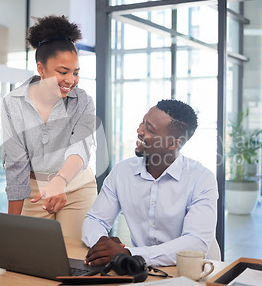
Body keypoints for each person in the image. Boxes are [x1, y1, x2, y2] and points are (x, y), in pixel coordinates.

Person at [0, 15, 97, 245]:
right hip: (34, 192)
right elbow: (16, 165)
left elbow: (81, 147)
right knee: (28, 253)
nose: (71, 80)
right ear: (40, 68)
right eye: (63, 71)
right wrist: (9, 227)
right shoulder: (14, 103)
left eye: (76, 72)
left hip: (76, 187)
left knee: (72, 254)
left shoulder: (83, 100)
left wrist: (60, 181)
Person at [81, 99, 218, 267]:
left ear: (173, 143)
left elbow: (195, 242)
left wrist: (131, 254)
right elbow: (95, 219)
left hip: (190, 272)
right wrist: (102, 244)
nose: (139, 130)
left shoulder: (201, 179)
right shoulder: (122, 172)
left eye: (149, 129)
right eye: (143, 122)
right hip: (140, 271)